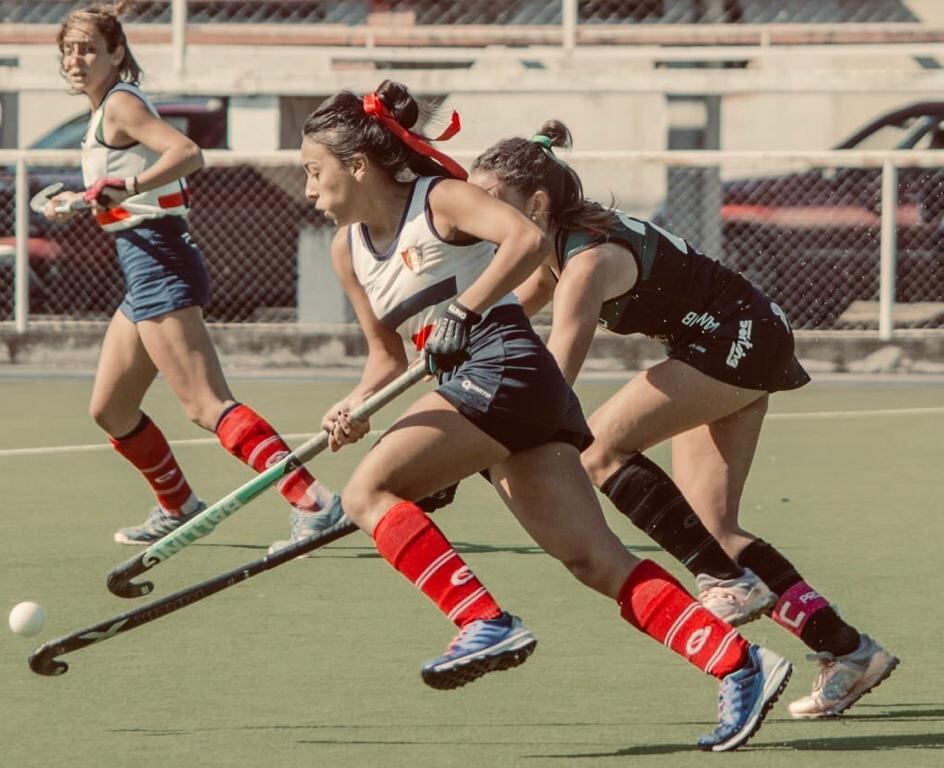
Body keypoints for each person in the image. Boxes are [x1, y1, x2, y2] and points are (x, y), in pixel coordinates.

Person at [300, 79, 793, 753]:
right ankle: (740, 663)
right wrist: (354, 407)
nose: (307, 188)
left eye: (313, 171)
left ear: (357, 167)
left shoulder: (438, 199)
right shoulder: (345, 252)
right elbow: (385, 361)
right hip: (485, 390)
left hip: (504, 366)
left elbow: (526, 239)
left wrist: (464, 309)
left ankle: (482, 619)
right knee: (594, 560)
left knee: (366, 491)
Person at [469, 120, 899, 720]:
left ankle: (726, 582)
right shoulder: (555, 246)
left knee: (601, 449)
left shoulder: (586, 260)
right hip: (740, 336)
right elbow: (506, 315)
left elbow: (552, 382)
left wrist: (472, 428)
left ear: (534, 203)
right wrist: (457, 328)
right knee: (711, 527)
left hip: (736, 339)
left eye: (488, 205)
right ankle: (850, 652)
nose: (478, 220)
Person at [42, 1, 343, 546]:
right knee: (110, 408)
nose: (76, 58)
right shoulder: (103, 112)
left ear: (115, 53)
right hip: (144, 267)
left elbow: (186, 153)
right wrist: (84, 200)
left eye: (89, 48)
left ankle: (314, 500)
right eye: (69, 48)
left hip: (159, 262)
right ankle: (178, 505)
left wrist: (126, 191)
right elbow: (131, 186)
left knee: (207, 405)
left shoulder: (119, 105)